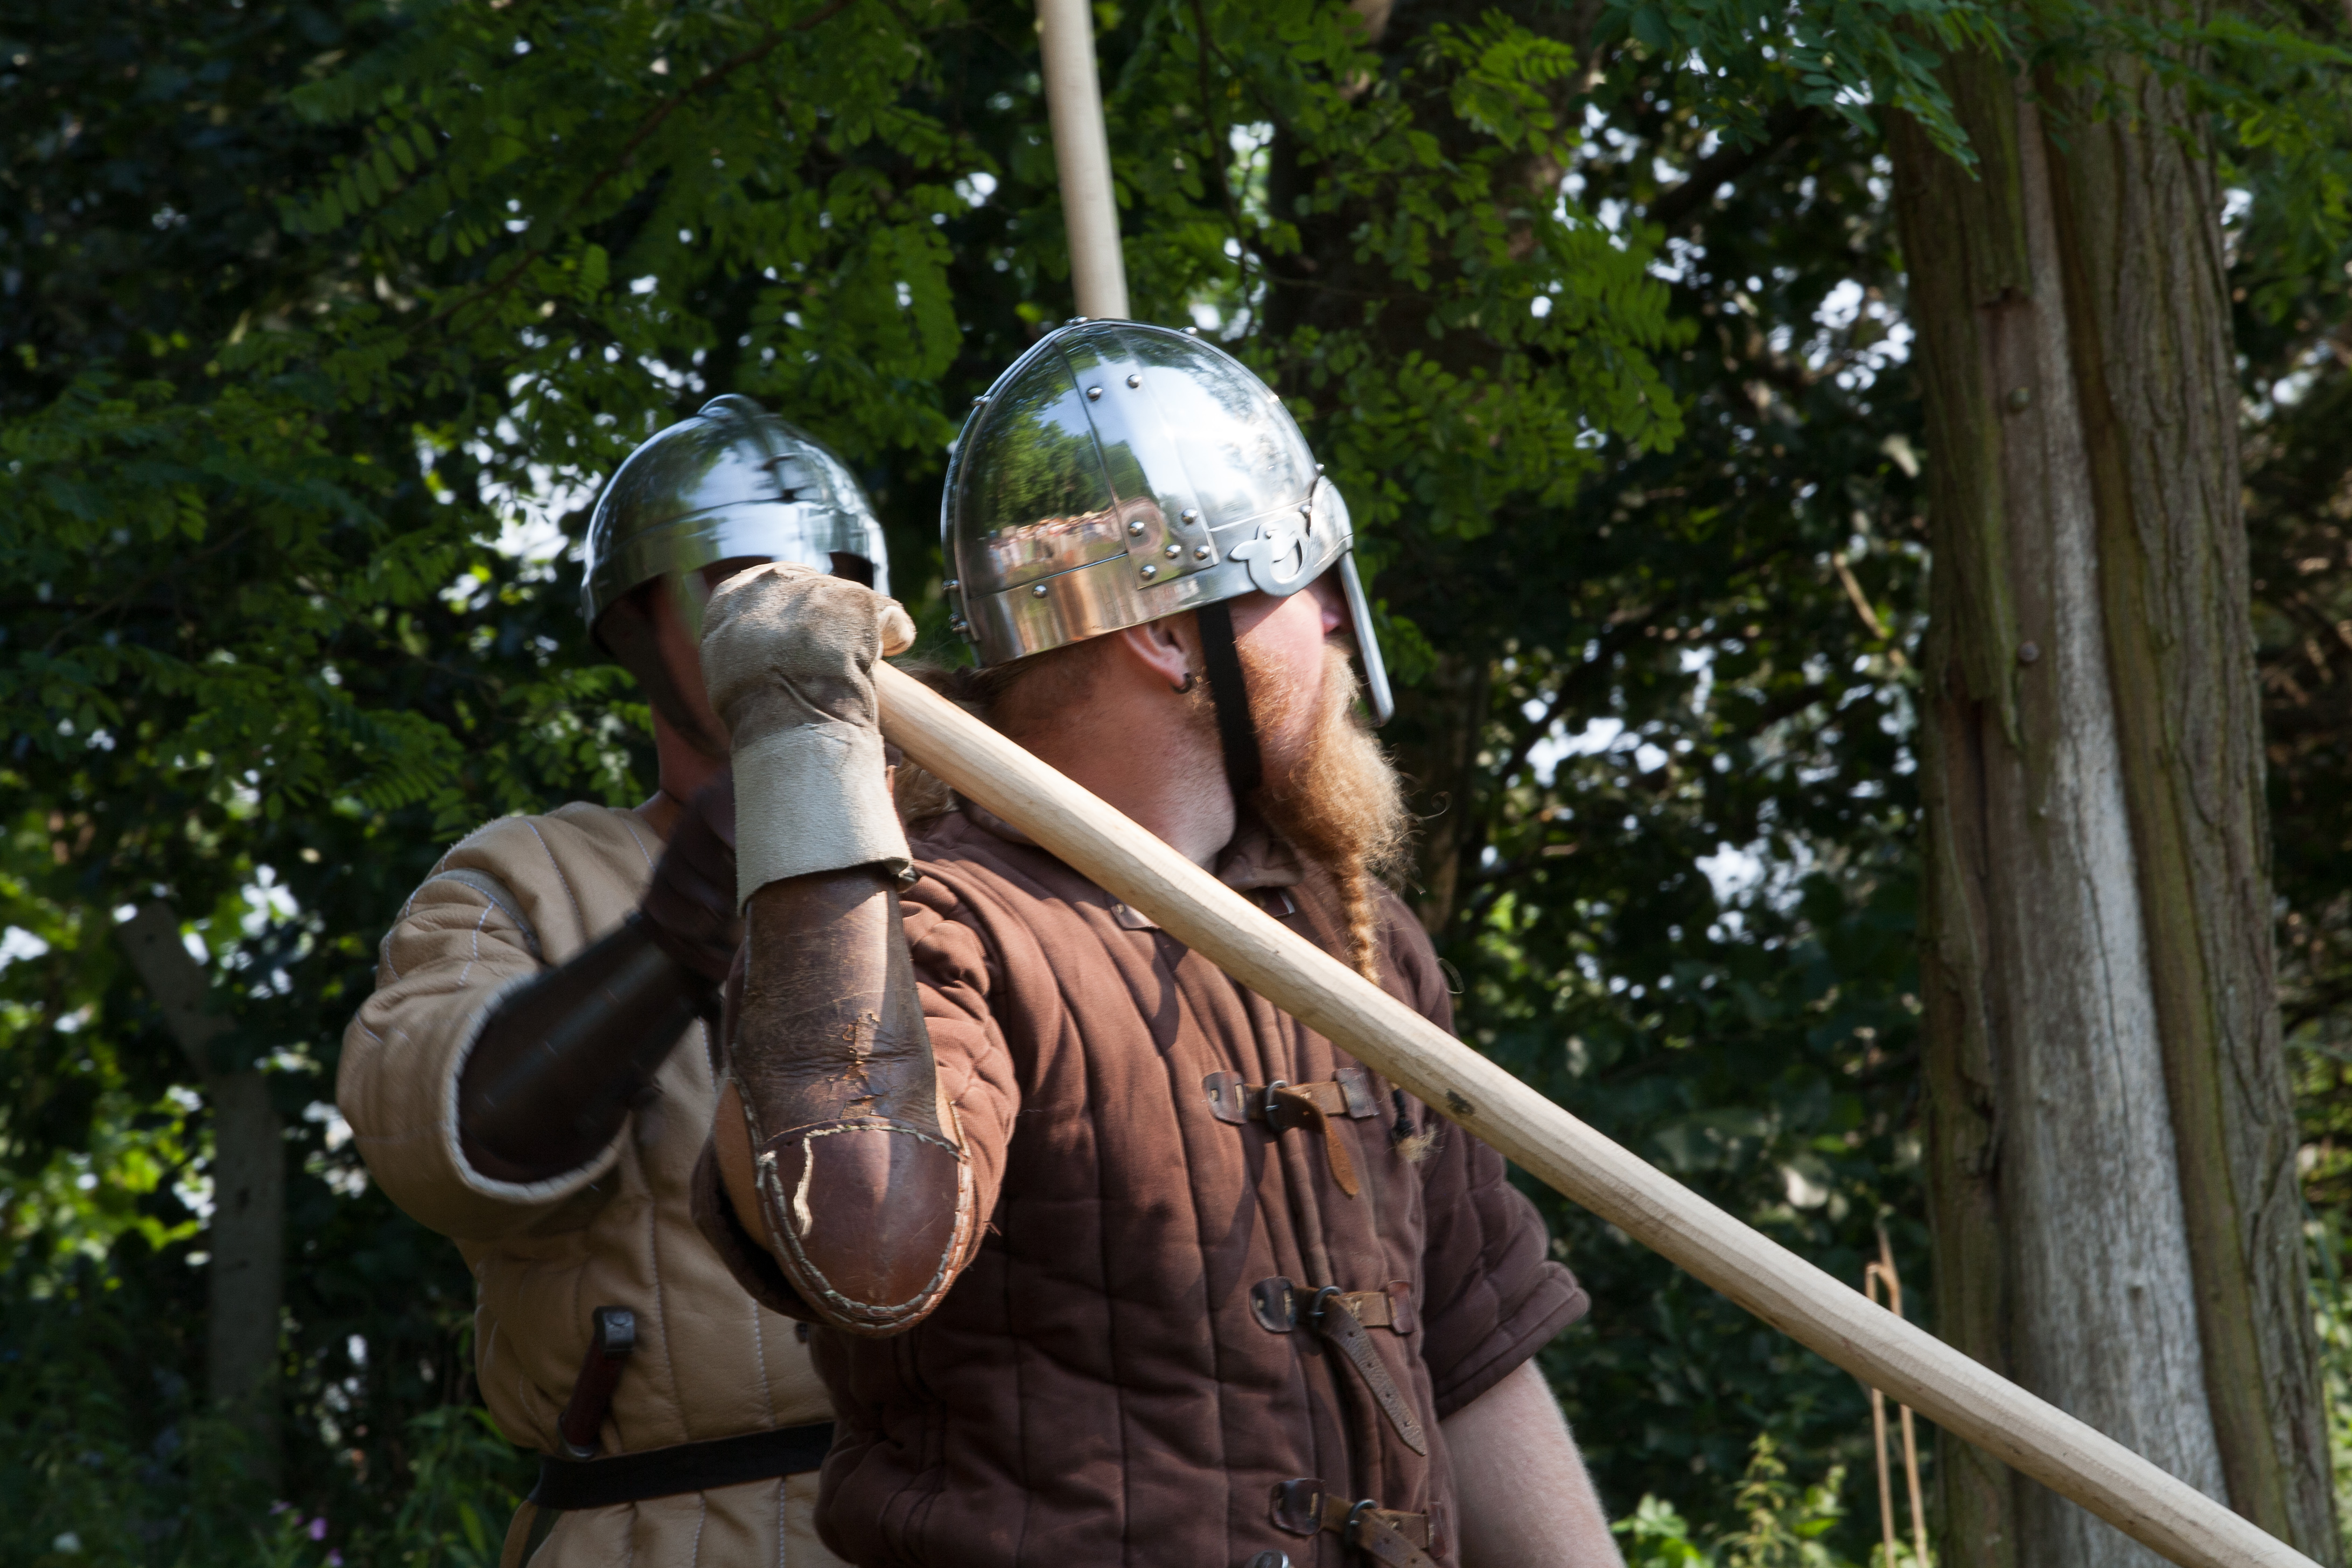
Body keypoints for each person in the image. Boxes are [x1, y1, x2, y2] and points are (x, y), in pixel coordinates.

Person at [689, 324, 1623, 1567]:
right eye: (1301, 579)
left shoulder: (1350, 936)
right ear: (1172, 636)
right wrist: (803, 755)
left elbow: (1467, 1351)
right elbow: (858, 1245)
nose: (1336, 622)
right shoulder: (937, 928)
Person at [338, 396, 889, 1568]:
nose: (786, 621)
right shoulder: (519, 880)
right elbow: (436, 1137)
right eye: (738, 586)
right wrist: (670, 939)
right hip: (656, 1534)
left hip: (950, 1519)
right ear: (636, 624)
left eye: (821, 588)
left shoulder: (963, 867)